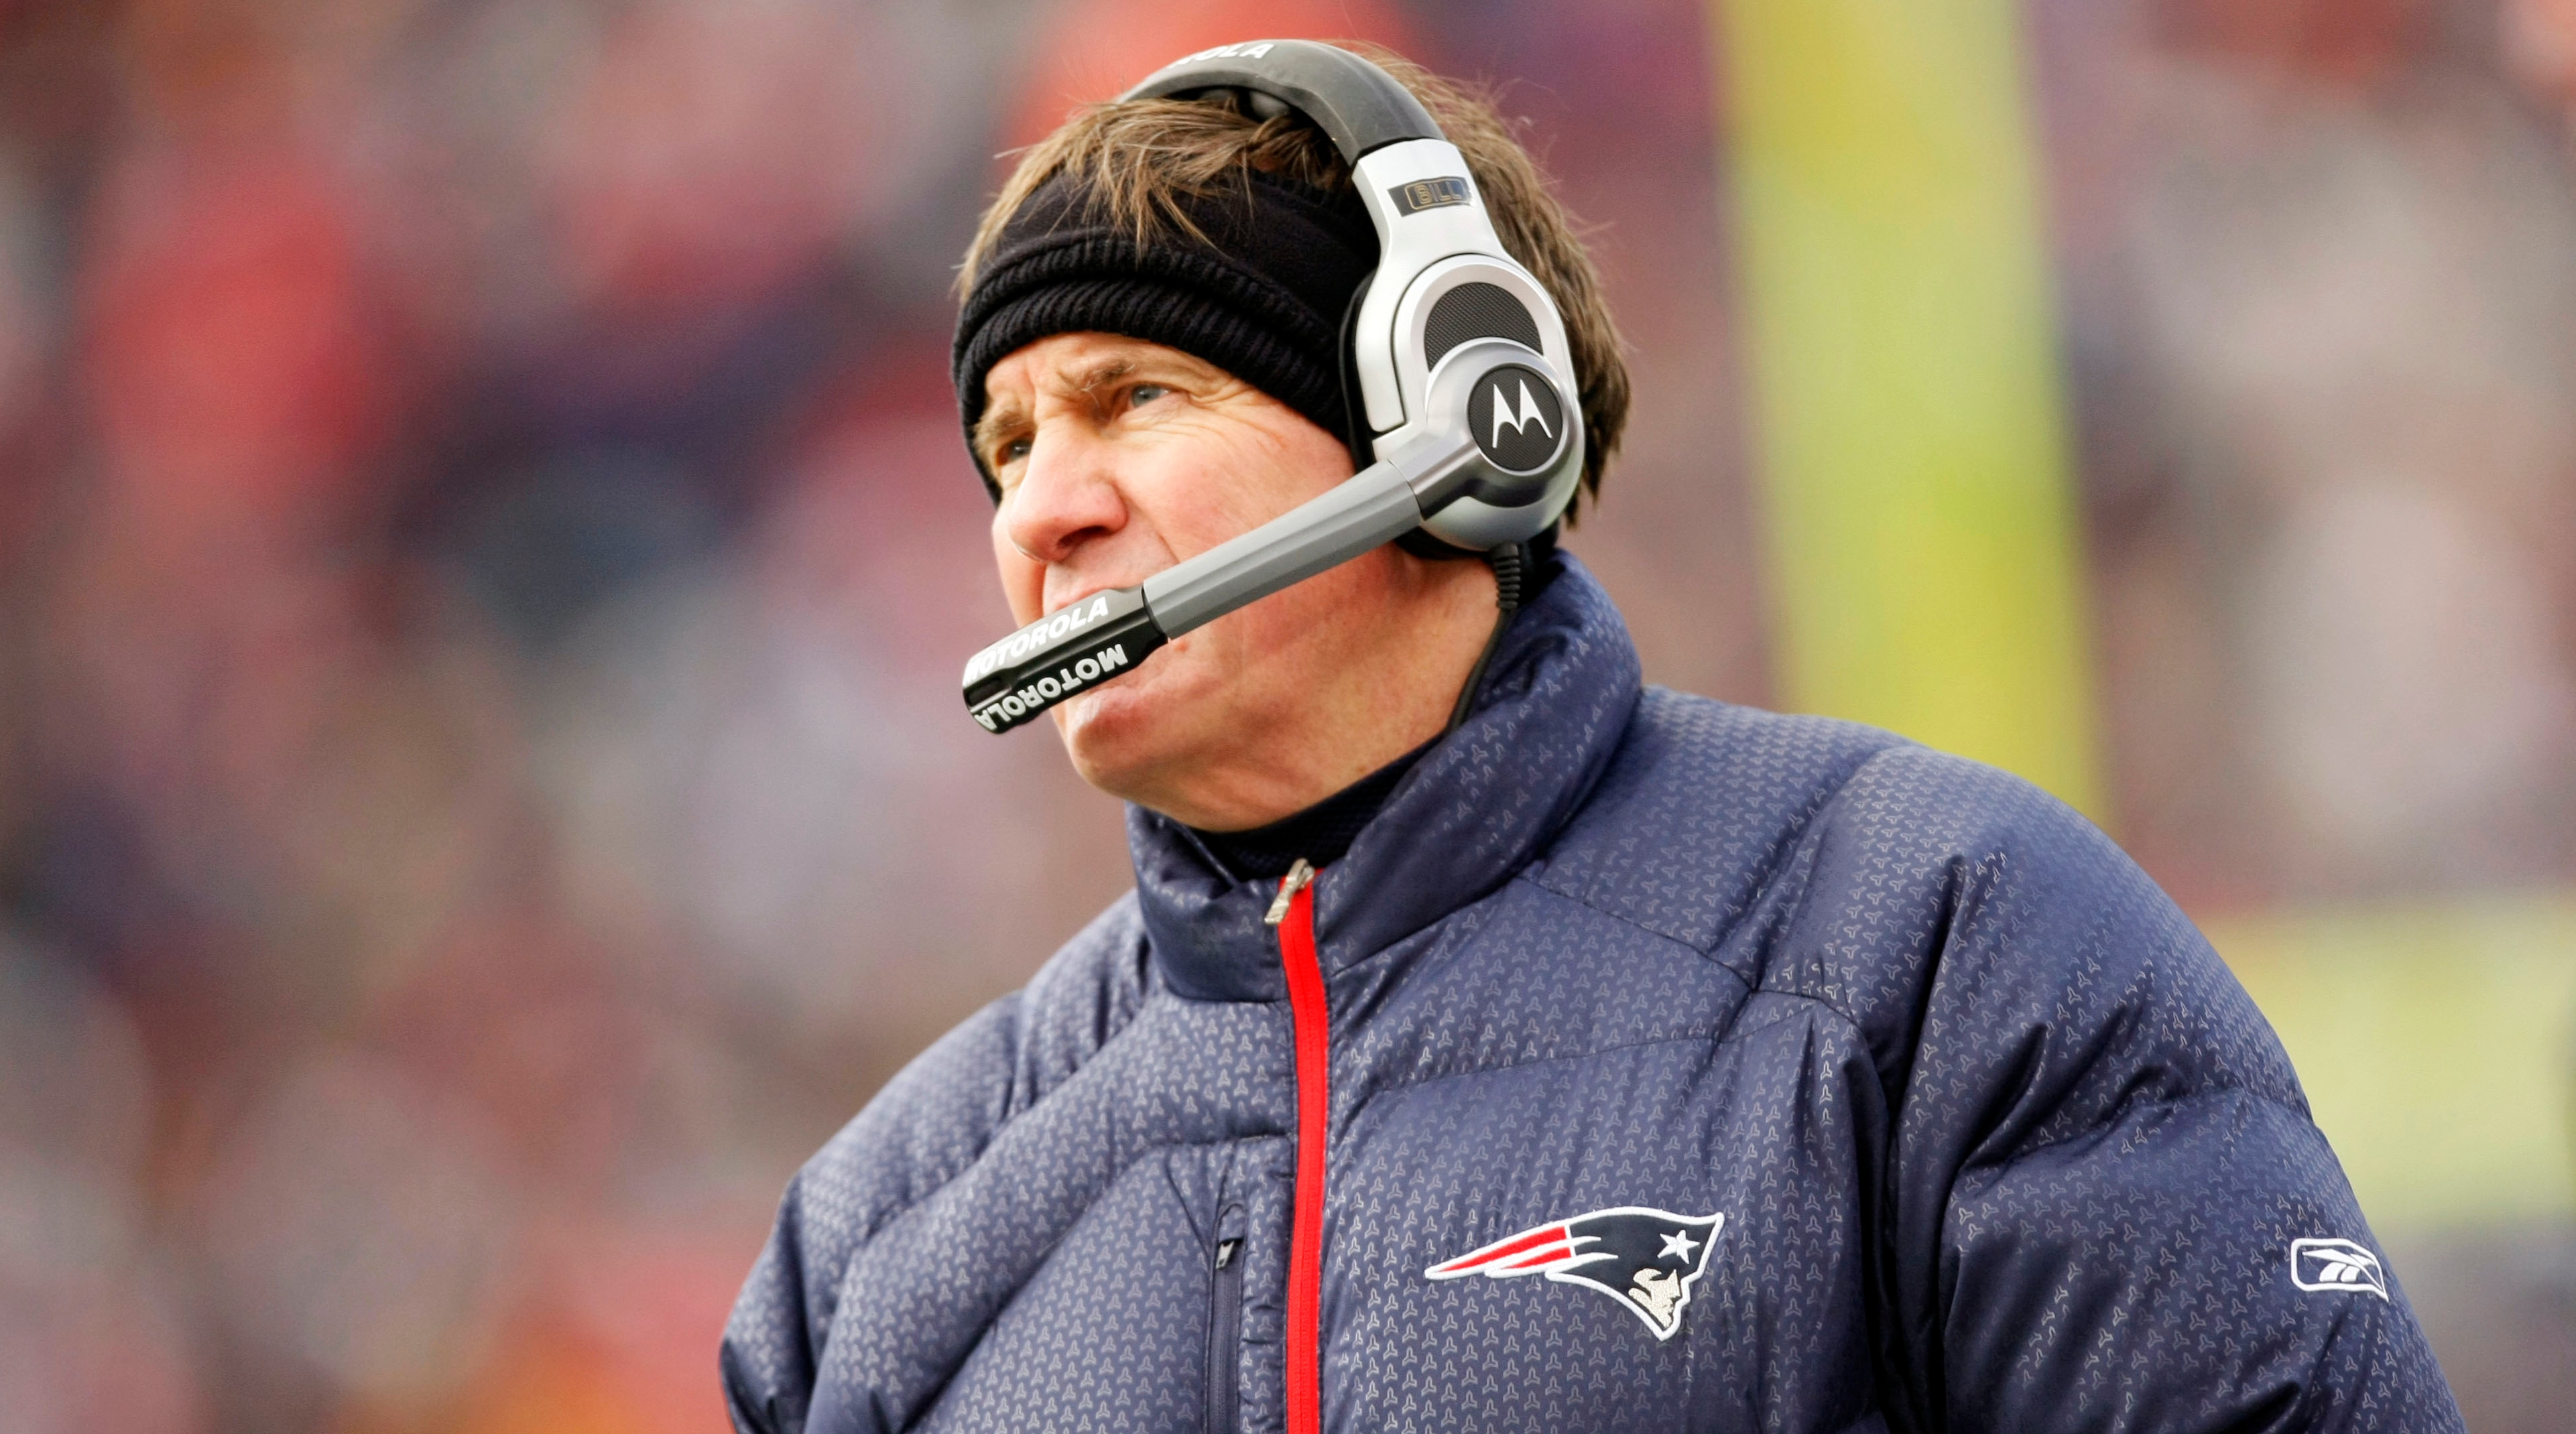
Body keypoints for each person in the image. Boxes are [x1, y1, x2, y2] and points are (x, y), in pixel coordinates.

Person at [720, 40, 2463, 1434]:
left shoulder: (1946, 945)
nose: (1042, 512)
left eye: (1134, 397)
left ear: (1463, 417)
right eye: (1007, 444)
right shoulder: (881, 1222)